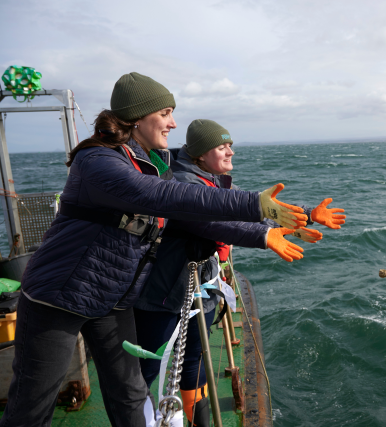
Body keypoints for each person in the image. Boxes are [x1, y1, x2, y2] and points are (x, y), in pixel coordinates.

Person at [0, 73, 310, 427]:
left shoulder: (152, 163)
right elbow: (165, 196)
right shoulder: (99, 161)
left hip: (111, 296)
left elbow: (196, 211)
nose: (173, 123)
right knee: (32, 405)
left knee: (131, 394)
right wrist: (255, 204)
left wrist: (280, 223)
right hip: (59, 295)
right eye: (165, 113)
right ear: (137, 117)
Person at [134, 119, 347, 426]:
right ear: (200, 154)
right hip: (163, 297)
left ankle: (200, 423)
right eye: (222, 147)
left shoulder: (211, 180)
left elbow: (245, 212)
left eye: (230, 145)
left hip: (200, 292)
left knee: (195, 363)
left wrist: (308, 215)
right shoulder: (182, 185)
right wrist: (263, 237)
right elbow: (217, 222)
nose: (230, 152)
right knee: (144, 371)